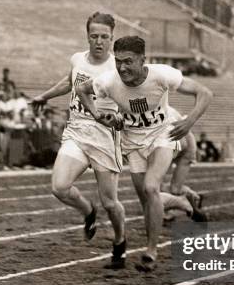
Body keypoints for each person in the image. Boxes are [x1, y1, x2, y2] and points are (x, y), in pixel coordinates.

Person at [76, 35, 213, 272]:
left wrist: (189, 122)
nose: (122, 67)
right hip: (133, 143)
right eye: (118, 61)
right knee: (148, 202)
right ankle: (182, 203)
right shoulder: (109, 81)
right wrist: (97, 114)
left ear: (143, 60)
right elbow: (81, 90)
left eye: (128, 61)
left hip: (163, 136)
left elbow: (205, 92)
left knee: (151, 188)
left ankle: (151, 251)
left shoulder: (161, 74)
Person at [31, 13, 127, 270]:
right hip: (76, 132)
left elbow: (130, 104)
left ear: (112, 38)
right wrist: (45, 96)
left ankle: (119, 243)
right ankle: (88, 211)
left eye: (104, 37)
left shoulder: (118, 69)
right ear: (87, 36)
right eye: (94, 36)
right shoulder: (77, 59)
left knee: (110, 202)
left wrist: (118, 117)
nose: (99, 42)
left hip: (104, 138)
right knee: (60, 187)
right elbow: (70, 81)